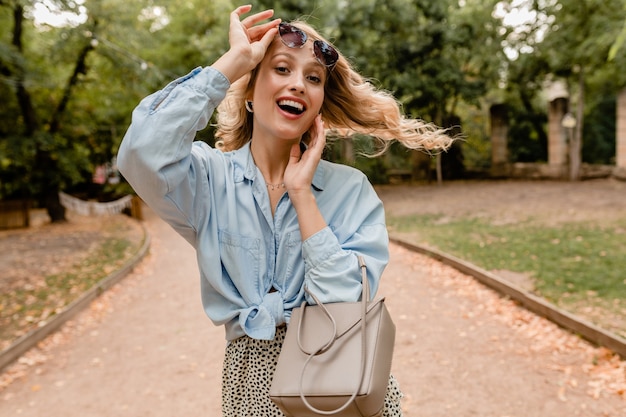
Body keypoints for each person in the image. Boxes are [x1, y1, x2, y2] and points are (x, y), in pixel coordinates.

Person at [117, 5, 453, 416]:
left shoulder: (350, 191)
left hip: (342, 383)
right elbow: (140, 152)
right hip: (250, 388)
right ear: (251, 93)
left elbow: (347, 302)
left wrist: (302, 195)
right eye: (281, 69)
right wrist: (232, 64)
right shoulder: (208, 180)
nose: (298, 84)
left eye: (313, 78)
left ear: (319, 106)